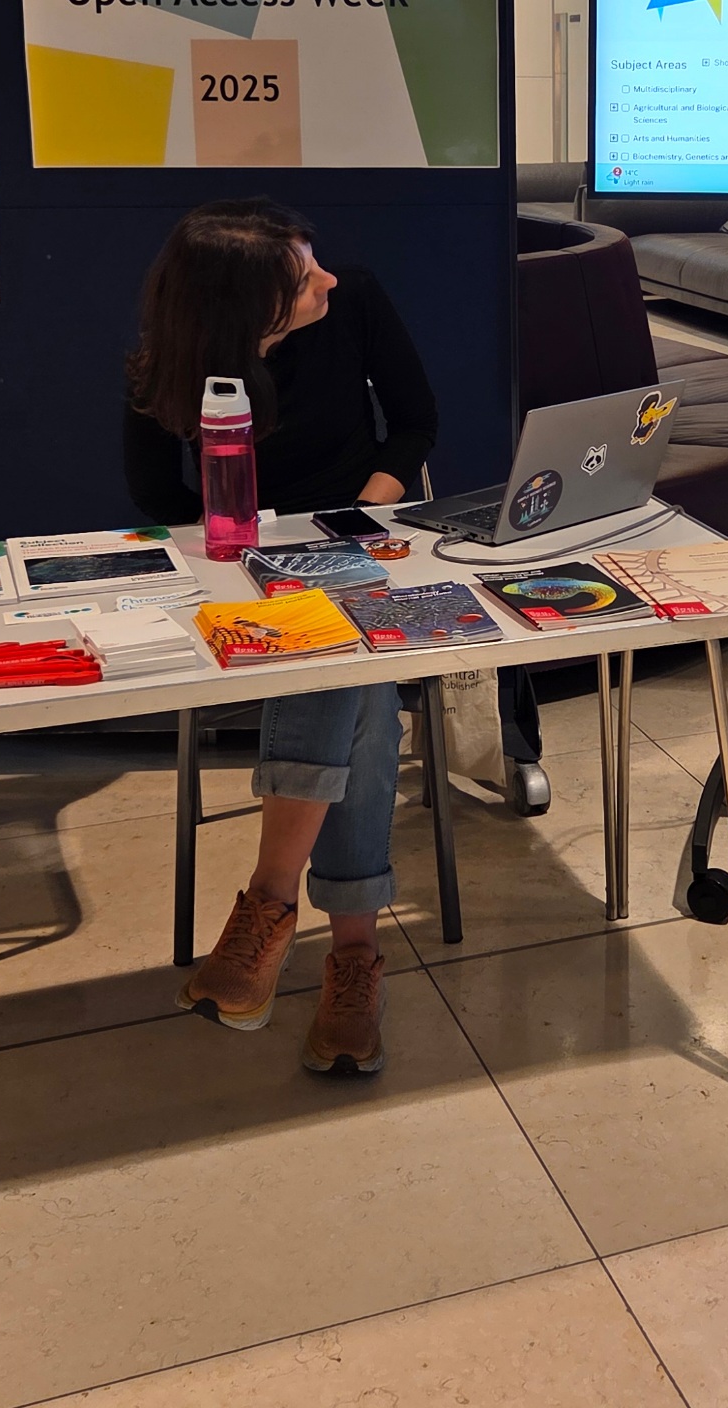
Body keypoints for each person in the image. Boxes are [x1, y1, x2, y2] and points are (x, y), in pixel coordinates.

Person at [125, 199, 437, 1076]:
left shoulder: (355, 301)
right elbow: (157, 498)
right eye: (303, 280)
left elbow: (415, 424)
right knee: (356, 682)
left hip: (359, 538)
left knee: (338, 659)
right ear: (248, 311)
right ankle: (353, 957)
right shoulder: (175, 359)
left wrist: (359, 518)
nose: (328, 279)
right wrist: (239, 550)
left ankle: (269, 905)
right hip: (240, 573)